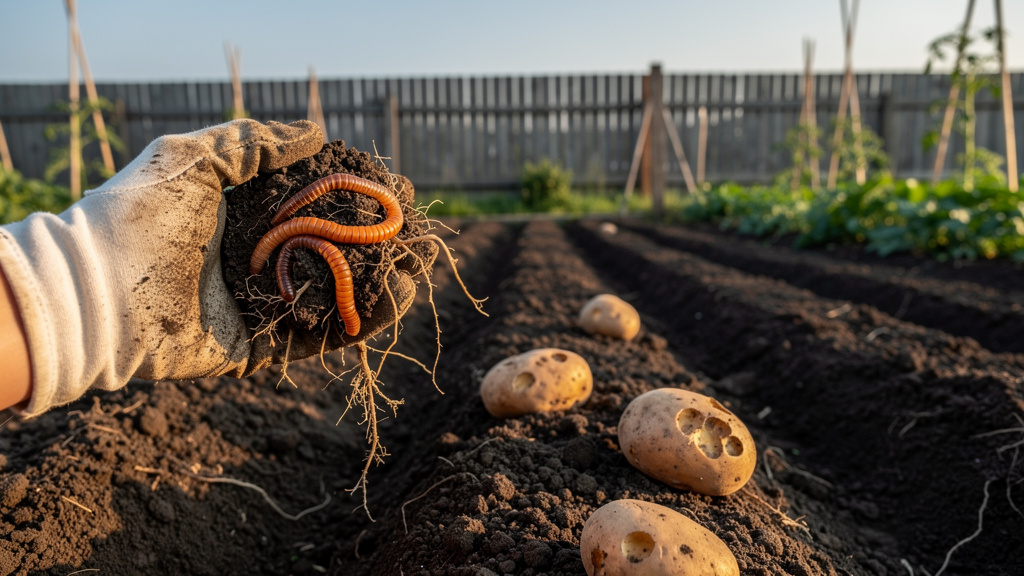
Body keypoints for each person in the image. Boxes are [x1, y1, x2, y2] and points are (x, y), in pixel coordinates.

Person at [0, 119, 424, 416]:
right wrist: (91, 276)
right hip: (290, 239)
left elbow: (296, 236)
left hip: (296, 235)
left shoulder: (290, 244)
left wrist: (74, 288)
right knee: (299, 234)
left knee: (301, 233)